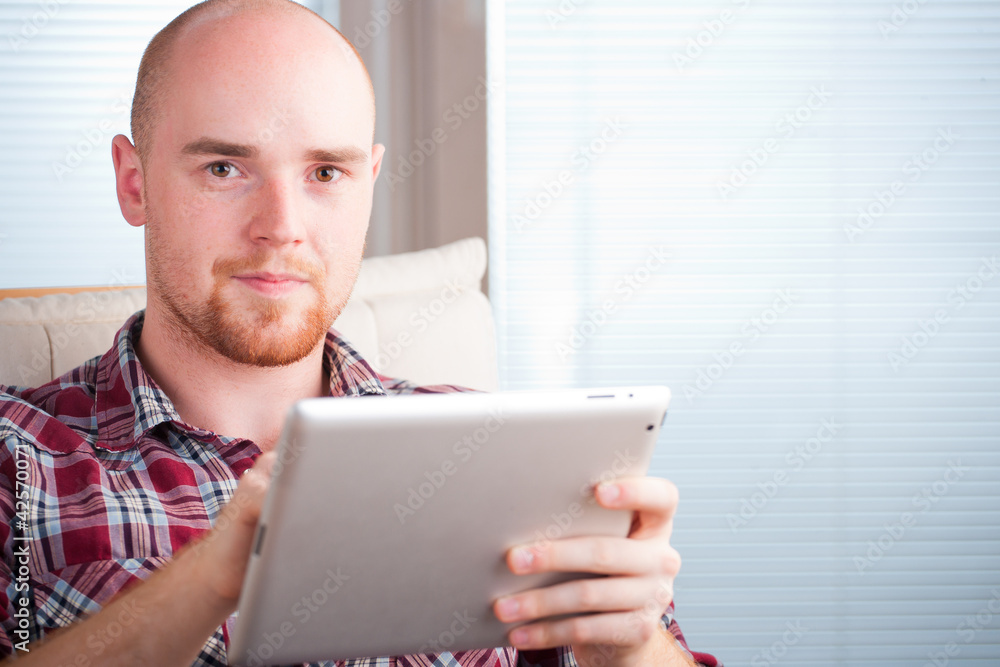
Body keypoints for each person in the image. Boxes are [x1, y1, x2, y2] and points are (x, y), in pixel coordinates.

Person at [0, 1, 718, 665]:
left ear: (368, 182)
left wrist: (630, 647)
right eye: (224, 167)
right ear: (135, 183)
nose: (281, 226)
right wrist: (209, 582)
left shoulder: (497, 456)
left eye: (325, 171)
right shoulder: (20, 462)